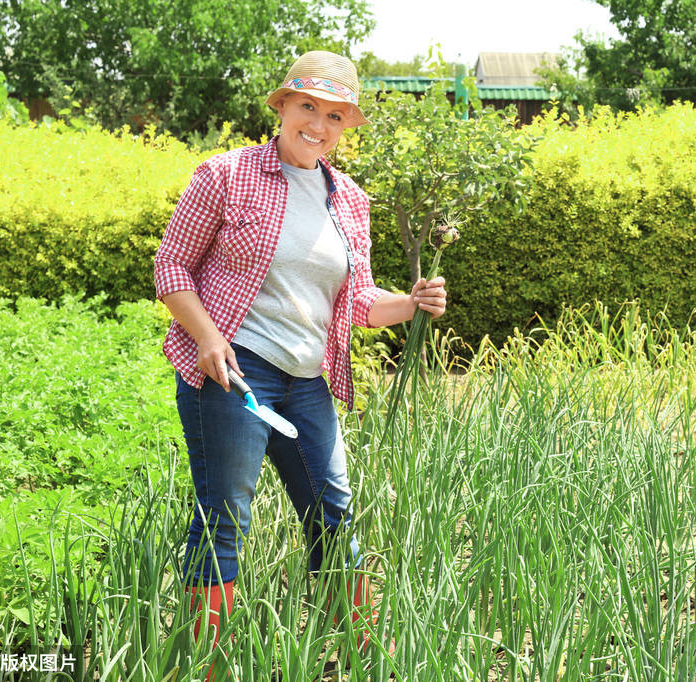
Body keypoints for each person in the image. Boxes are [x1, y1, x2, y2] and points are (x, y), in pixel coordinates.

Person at [153, 51, 445, 665]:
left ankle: (354, 650)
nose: (318, 124)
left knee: (333, 511)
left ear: (346, 127)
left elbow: (360, 301)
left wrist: (412, 303)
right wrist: (208, 337)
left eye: (335, 115)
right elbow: (172, 266)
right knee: (224, 515)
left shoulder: (350, 202)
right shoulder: (225, 174)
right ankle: (213, 663)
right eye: (308, 106)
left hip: (307, 381)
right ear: (282, 106)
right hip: (235, 371)